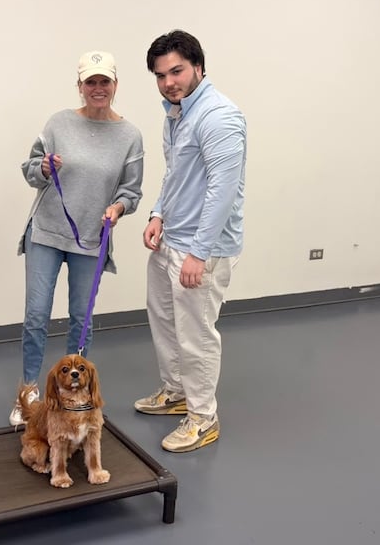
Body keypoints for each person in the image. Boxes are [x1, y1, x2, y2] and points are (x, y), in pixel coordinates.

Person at [11, 51, 144, 426]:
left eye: (105, 82)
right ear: (80, 86)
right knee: (36, 315)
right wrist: (42, 166)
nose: (98, 89)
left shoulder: (130, 136)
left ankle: (73, 396)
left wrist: (117, 209)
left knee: (80, 321)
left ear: (115, 85)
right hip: (47, 233)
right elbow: (30, 170)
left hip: (90, 240)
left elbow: (131, 192)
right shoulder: (58, 123)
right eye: (91, 82)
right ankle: (28, 394)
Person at [134, 30, 246, 453]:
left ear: (199, 66)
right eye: (160, 75)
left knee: (196, 335)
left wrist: (199, 253)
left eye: (177, 71)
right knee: (164, 321)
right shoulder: (176, 113)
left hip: (202, 248)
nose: (169, 82)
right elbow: (175, 174)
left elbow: (223, 189)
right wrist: (157, 213)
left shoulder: (218, 116)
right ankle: (176, 391)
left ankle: (202, 417)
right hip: (172, 238)